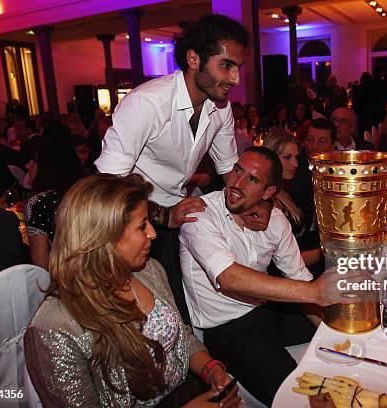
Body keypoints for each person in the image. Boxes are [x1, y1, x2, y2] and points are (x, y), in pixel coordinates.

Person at [94, 14, 269, 324]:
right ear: (193, 59)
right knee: (140, 312)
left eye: (238, 68)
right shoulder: (146, 103)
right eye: (225, 65)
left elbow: (230, 169)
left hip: (176, 213)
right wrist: (162, 215)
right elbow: (108, 183)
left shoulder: (220, 108)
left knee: (178, 307)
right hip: (129, 219)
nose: (235, 79)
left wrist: (257, 202)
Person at [24, 173, 240, 407]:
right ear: (103, 238)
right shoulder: (55, 327)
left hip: (187, 390)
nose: (153, 233)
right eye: (141, 226)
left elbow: (180, 337)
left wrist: (210, 367)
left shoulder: (149, 271)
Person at [179, 147, 355, 406]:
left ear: (269, 193)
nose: (237, 183)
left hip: (268, 312)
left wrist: (333, 333)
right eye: (238, 170)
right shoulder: (201, 212)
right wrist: (314, 292)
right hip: (229, 328)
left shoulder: (274, 219)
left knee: (350, 342)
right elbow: (227, 277)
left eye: (253, 179)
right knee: (304, 398)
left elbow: (298, 276)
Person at [24, 140, 88, 269]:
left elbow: (41, 263)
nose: (27, 165)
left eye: (34, 161)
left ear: (47, 167)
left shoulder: (38, 201)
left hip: (69, 280)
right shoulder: (88, 191)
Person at [263, 129, 322, 267]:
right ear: (271, 158)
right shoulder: (266, 202)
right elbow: (282, 262)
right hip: (283, 277)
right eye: (287, 157)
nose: (295, 164)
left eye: (296, 157)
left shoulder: (286, 187)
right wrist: (326, 252)